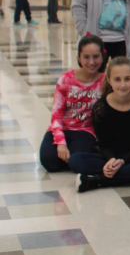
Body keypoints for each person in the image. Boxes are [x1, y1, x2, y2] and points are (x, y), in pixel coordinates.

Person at [70, 57, 130, 192]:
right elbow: (104, 144)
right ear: (109, 80)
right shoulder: (100, 108)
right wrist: (111, 160)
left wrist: (123, 161)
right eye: (117, 79)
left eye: (127, 79)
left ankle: (97, 181)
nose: (123, 85)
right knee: (75, 160)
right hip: (110, 157)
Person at [39, 35, 106, 172]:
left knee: (76, 160)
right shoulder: (65, 80)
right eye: (86, 57)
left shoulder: (105, 82)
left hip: (85, 131)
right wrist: (61, 143)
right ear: (79, 58)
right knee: (49, 162)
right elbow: (56, 115)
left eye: (96, 57)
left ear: (102, 57)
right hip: (61, 128)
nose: (91, 62)